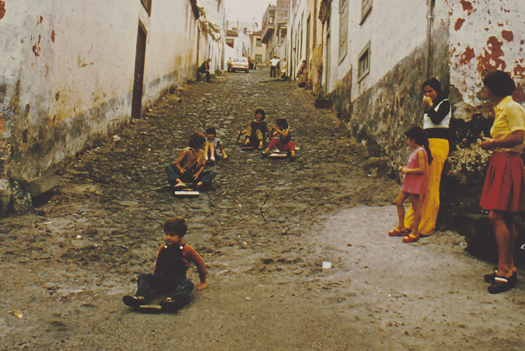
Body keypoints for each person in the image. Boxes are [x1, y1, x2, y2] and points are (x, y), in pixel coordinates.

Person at [479, 71, 525, 294]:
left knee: (496, 215)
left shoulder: (511, 107)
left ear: (494, 89)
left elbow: (519, 136)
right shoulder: (503, 108)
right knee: (505, 215)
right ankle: (508, 266)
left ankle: (505, 269)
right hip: (502, 161)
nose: (485, 91)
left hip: (507, 161)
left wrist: (492, 144)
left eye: (487, 87)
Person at [122, 217, 207, 309]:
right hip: (163, 280)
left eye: (172, 235)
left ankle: (172, 300)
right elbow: (158, 264)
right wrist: (154, 279)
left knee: (188, 284)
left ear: (181, 236)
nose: (168, 237)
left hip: (177, 282)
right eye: (166, 234)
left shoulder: (187, 249)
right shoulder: (163, 248)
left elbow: (200, 263)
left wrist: (203, 281)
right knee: (143, 277)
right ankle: (141, 297)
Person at [404, 78, 451, 236]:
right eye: (425, 92)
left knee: (431, 185)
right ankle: (411, 223)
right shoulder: (428, 108)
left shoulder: (444, 104)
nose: (428, 94)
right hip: (426, 145)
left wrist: (430, 107)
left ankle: (426, 226)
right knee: (419, 185)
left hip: (439, 144)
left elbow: (437, 120)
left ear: (437, 91)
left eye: (430, 91)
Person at [389, 127, 433, 243]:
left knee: (416, 207)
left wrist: (406, 170)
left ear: (413, 140)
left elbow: (422, 169)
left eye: (408, 139)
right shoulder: (416, 151)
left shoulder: (420, 152)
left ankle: (414, 232)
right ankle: (401, 227)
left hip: (415, 183)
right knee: (398, 202)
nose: (407, 141)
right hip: (409, 182)